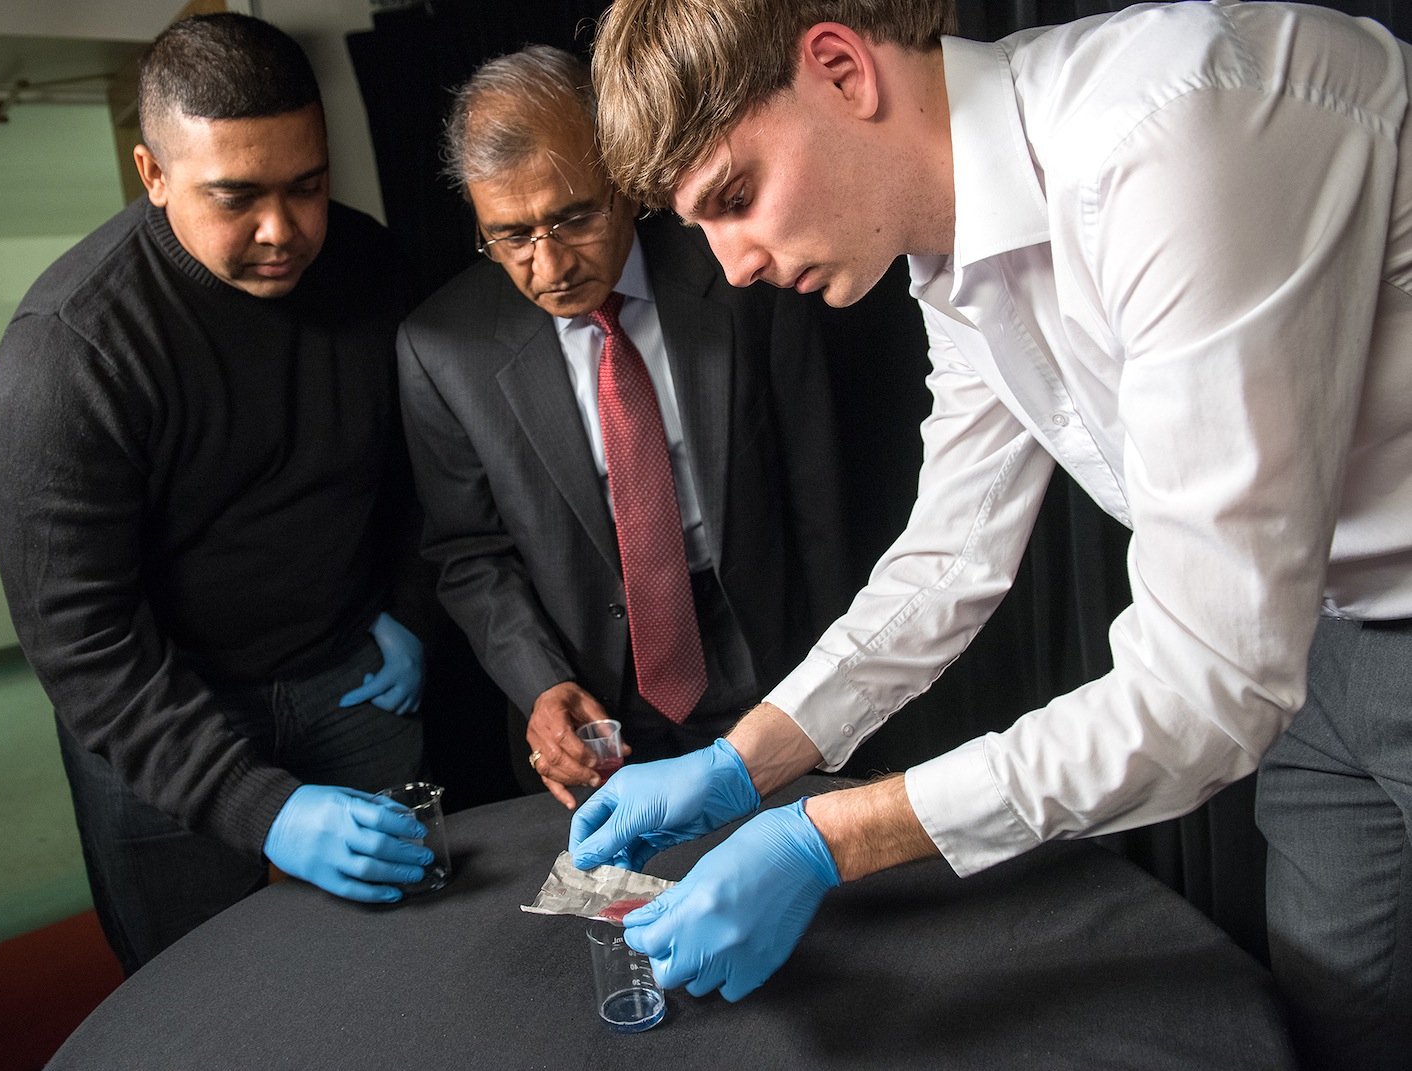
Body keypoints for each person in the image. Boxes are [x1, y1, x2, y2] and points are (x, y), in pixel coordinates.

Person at [569, 1, 1412, 1065]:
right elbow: (951, 560)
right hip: (1314, 647)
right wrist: (746, 762)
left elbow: (1208, 684)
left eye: (735, 197)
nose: (731, 264)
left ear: (840, 68)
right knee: (1340, 1027)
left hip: (1304, 644)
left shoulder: (1172, 132)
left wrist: (830, 838)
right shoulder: (951, 241)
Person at [0, 13, 435, 975]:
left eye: (307, 186)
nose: (283, 231)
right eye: (237, 197)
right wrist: (260, 805)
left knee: (420, 945)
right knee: (194, 988)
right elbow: (80, 640)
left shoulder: (371, 264)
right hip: (161, 710)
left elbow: (425, 463)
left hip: (349, 672)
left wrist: (407, 606)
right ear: (152, 176)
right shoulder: (70, 351)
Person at [397, 45, 849, 809]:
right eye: (510, 235)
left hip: (771, 649)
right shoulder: (442, 348)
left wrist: (843, 674)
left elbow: (819, 483)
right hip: (593, 693)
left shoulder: (741, 272)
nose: (549, 267)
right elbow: (470, 554)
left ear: (625, 182)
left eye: (573, 218)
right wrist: (541, 683)